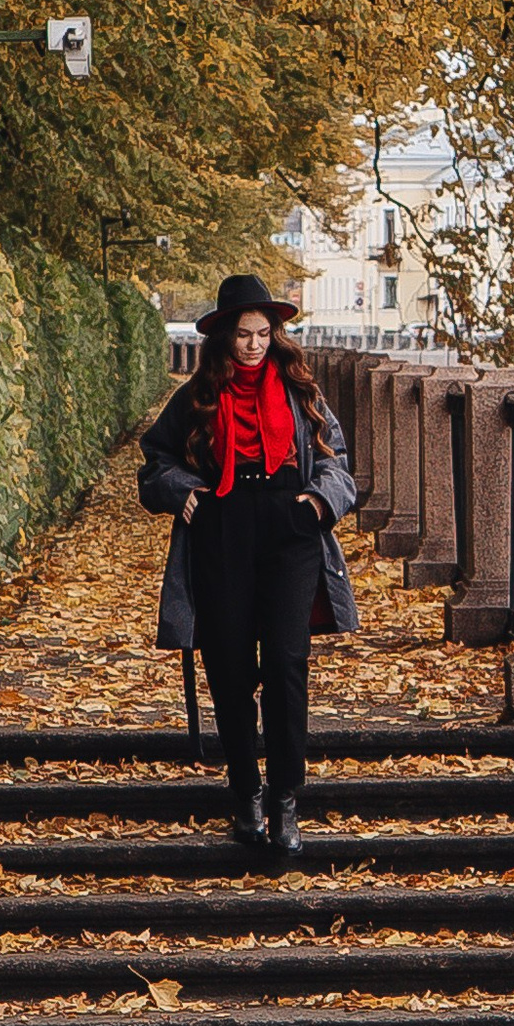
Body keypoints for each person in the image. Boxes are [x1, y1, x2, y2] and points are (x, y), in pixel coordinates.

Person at [138, 275, 358, 860]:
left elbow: (339, 462)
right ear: (223, 338)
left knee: (287, 664)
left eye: (263, 334)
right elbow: (154, 460)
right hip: (223, 529)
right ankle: (246, 795)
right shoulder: (197, 397)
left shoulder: (300, 389)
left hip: (290, 530)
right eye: (243, 334)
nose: (254, 345)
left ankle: (286, 797)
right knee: (230, 668)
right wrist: (182, 489)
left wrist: (317, 502)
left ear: (275, 335)